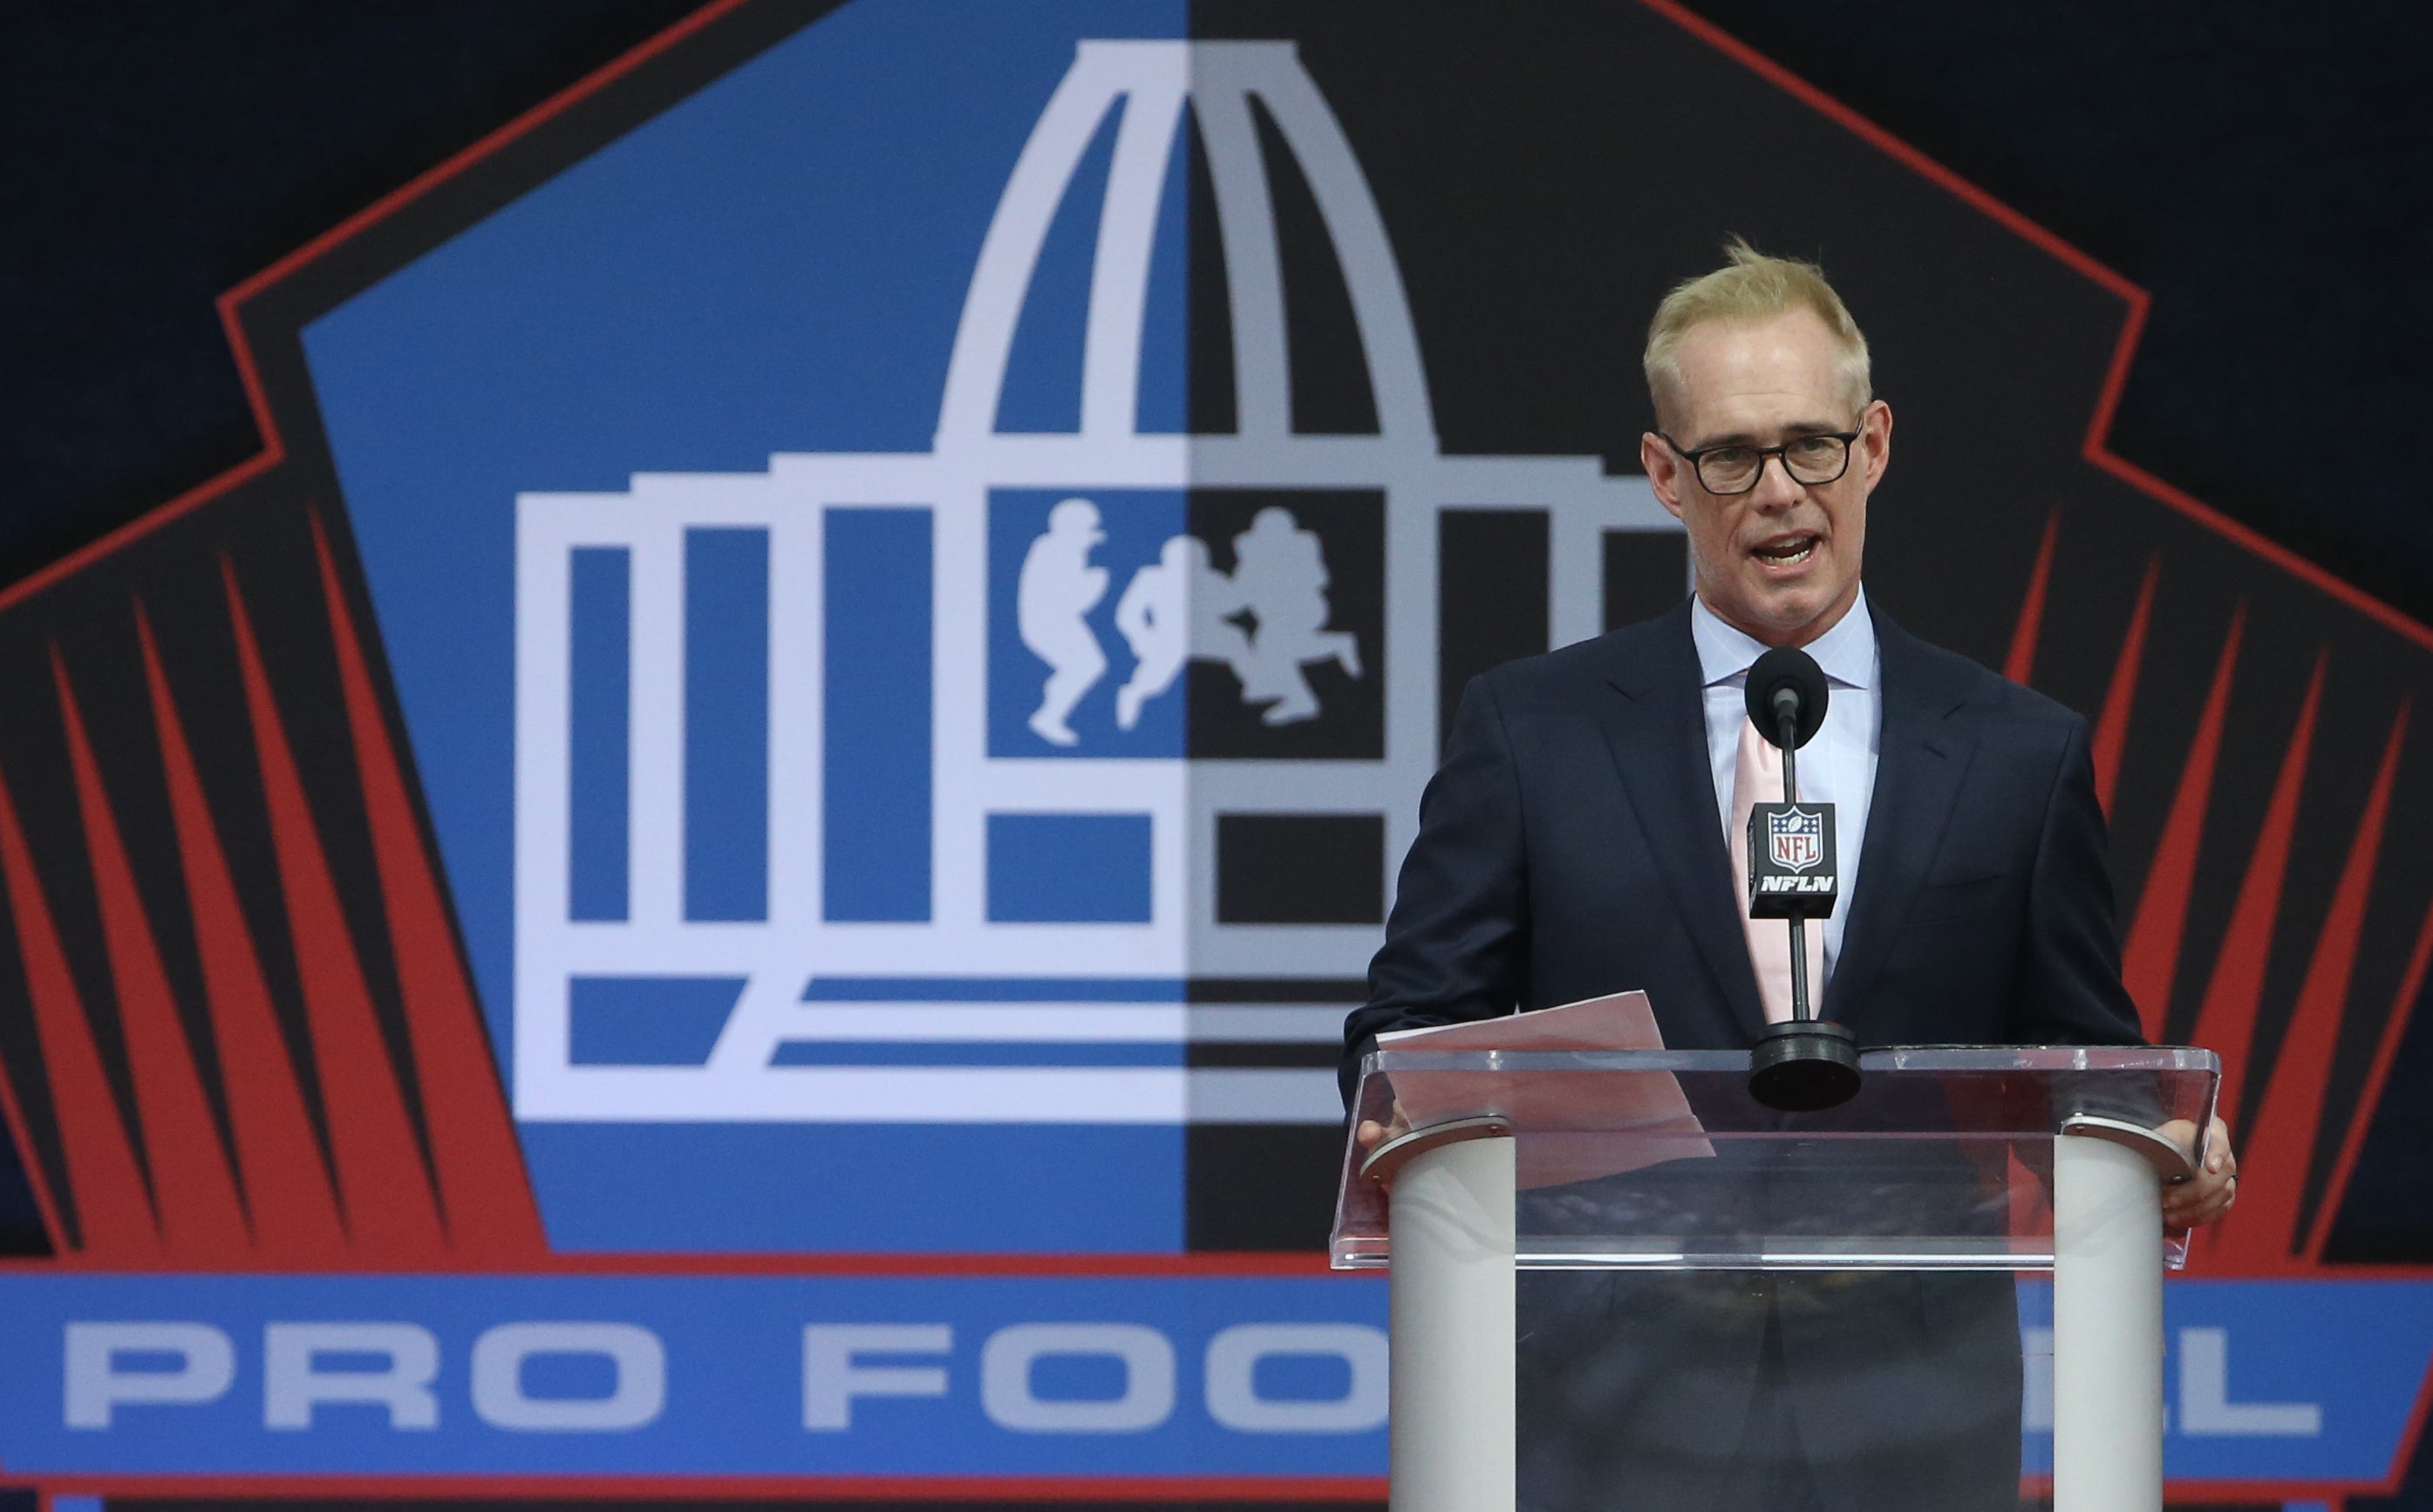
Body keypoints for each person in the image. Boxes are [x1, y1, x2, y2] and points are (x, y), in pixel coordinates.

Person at [1341, 242, 2235, 1510]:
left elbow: (2082, 1056)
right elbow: (1406, 1031)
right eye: (1730, 456)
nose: (1778, 491)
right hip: (1603, 1395)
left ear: (1871, 445)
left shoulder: (2019, 753)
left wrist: (2162, 1136)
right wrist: (1397, 1114)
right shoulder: (1533, 731)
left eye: (1810, 445)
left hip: (1911, 1402)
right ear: (1664, 474)